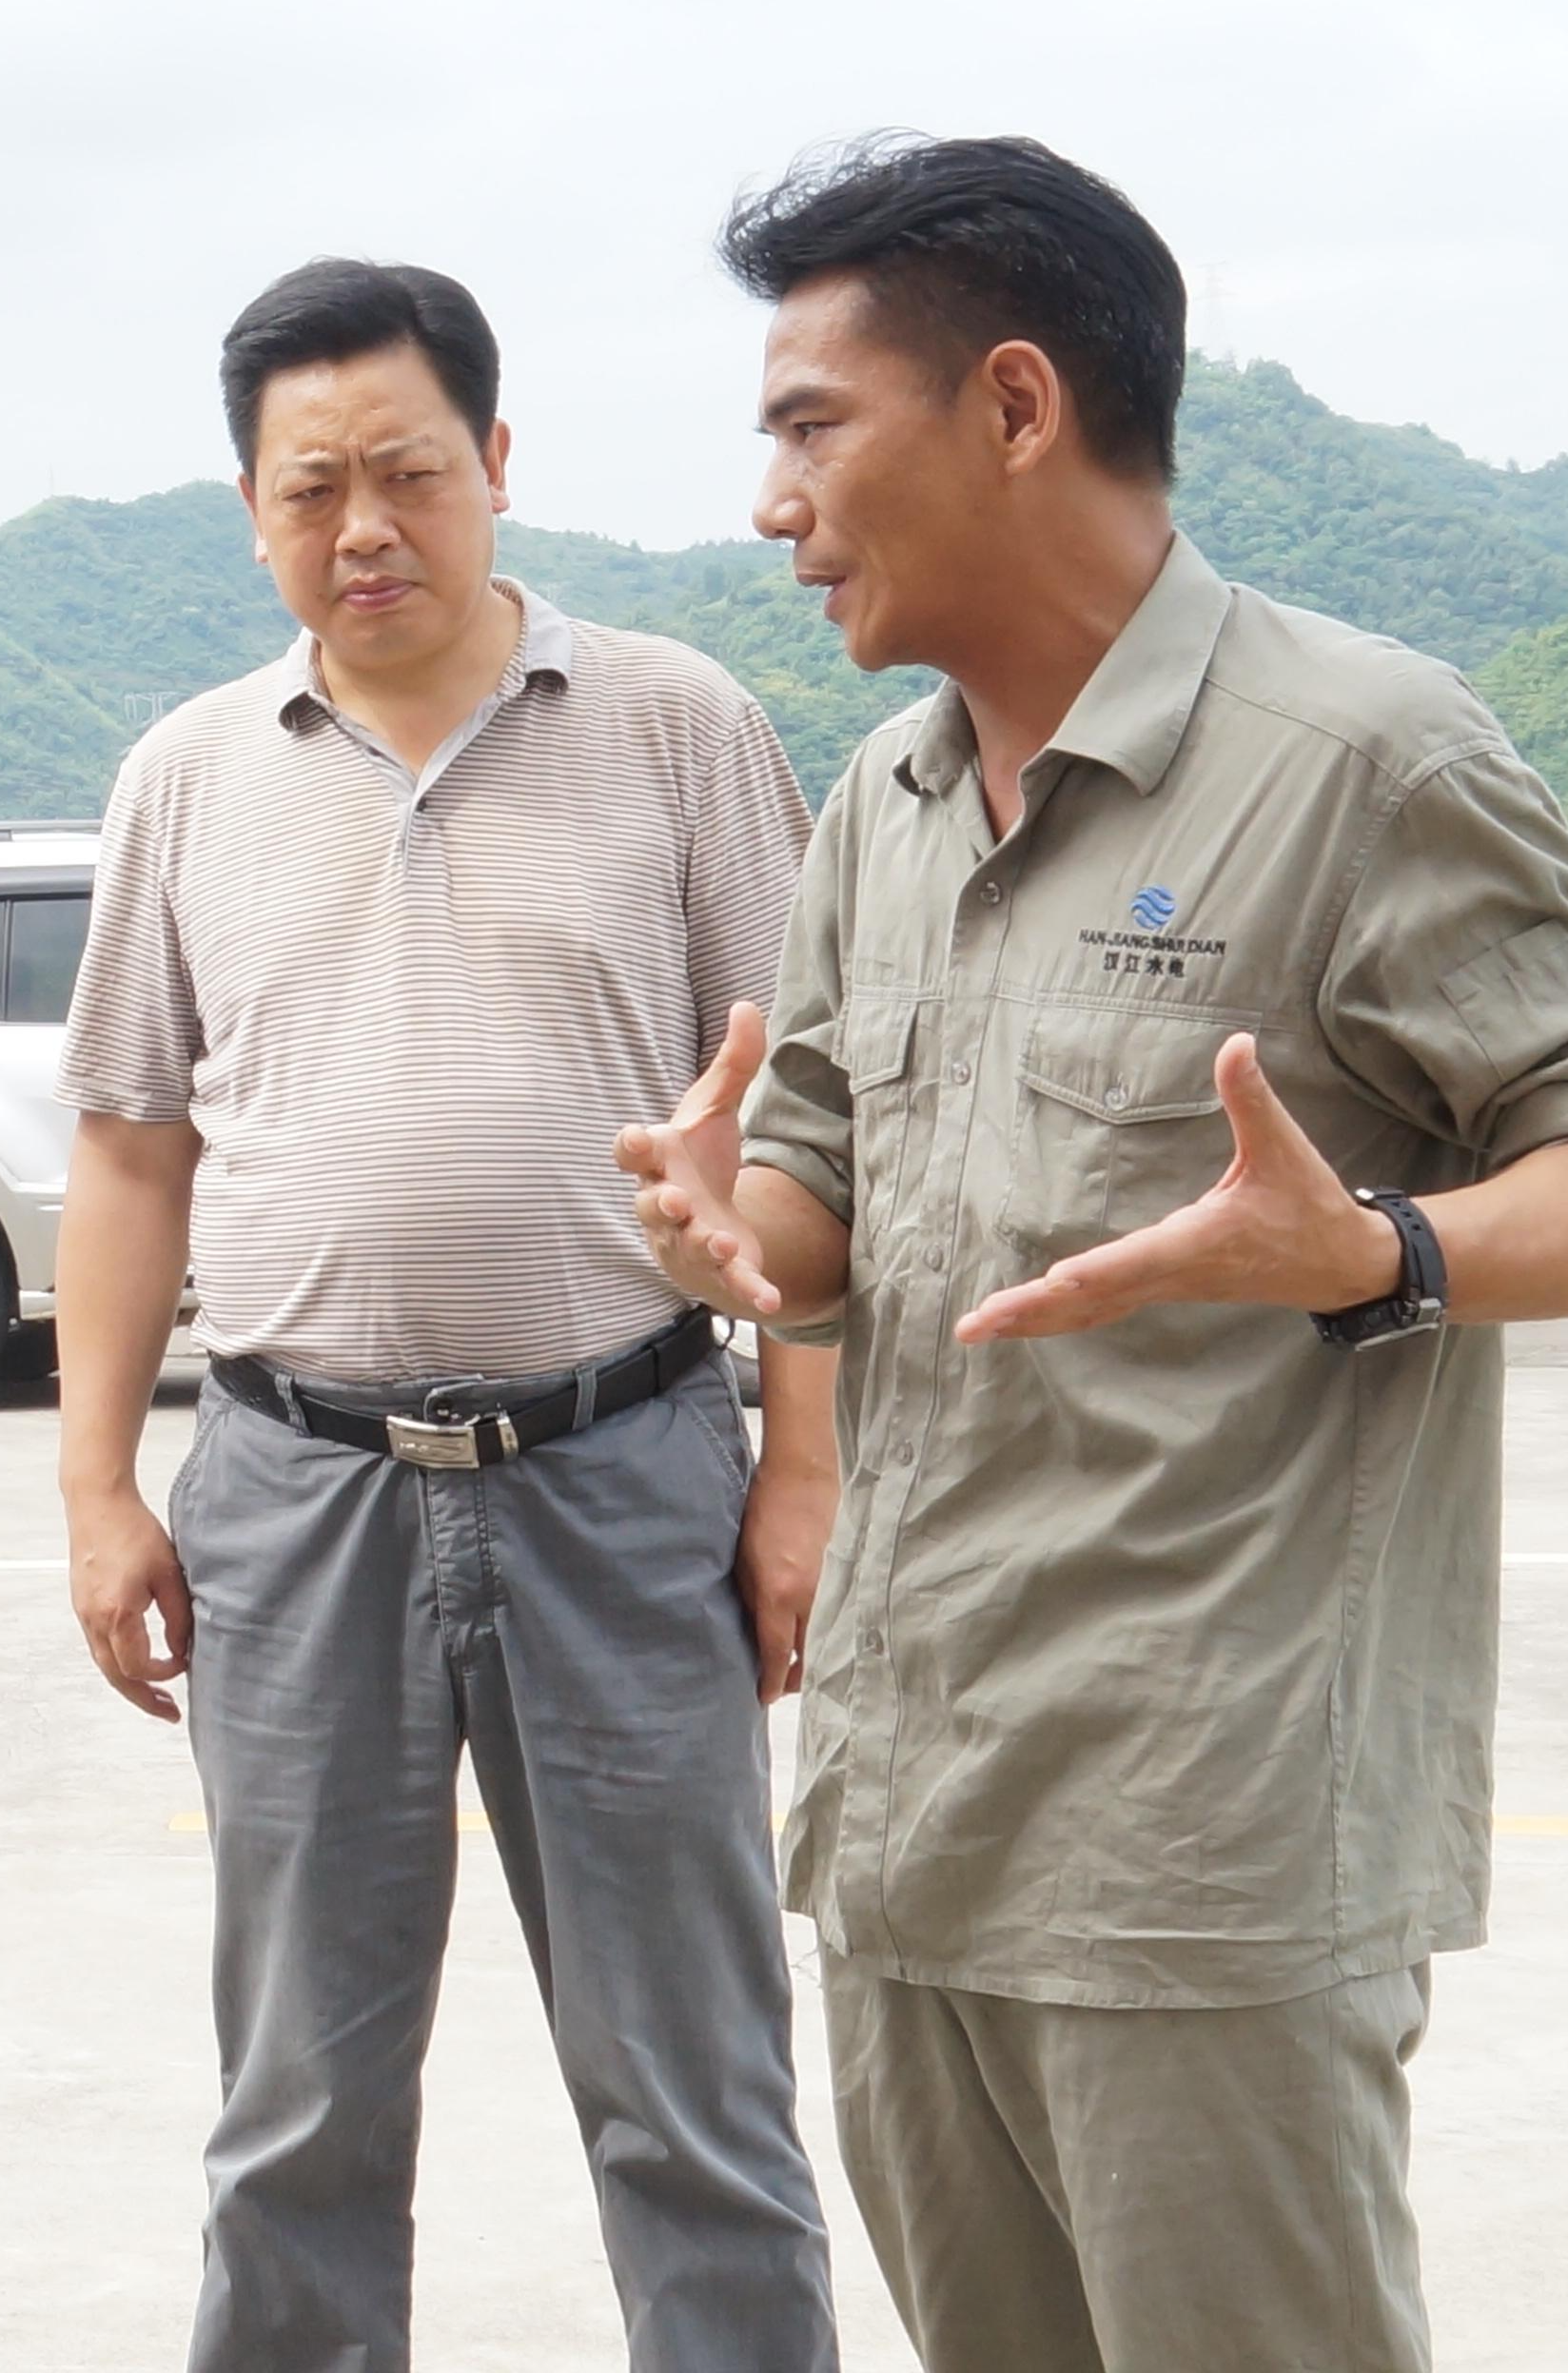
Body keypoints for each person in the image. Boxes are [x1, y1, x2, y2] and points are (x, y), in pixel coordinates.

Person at [617, 134, 1568, 2373]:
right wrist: (729, 1236)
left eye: (807, 426)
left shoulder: (1364, 759)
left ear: (1016, 407)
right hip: (910, 1813)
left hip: (1204, 1855)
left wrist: (1380, 1257)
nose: (771, 499)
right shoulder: (885, 800)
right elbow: (824, 1182)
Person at [53, 260, 840, 2371]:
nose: (363, 526)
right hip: (295, 1500)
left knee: (693, 2097)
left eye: (407, 471)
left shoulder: (676, 725)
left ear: (496, 465)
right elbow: (131, 1151)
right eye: (310, 489)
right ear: (248, 509)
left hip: (625, 1475)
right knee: (297, 2110)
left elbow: (806, 1133)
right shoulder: (191, 772)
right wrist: (94, 1488)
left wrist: (799, 1478)